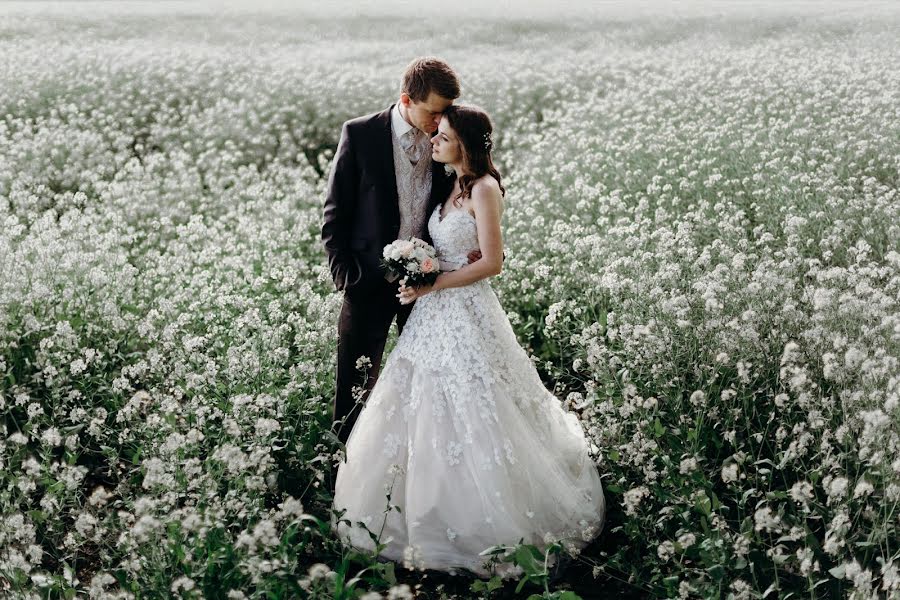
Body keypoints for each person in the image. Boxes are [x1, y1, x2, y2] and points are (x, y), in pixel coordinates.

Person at [330, 104, 606, 579]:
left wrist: (434, 282)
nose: (433, 139)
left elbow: (493, 262)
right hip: (434, 312)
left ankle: (486, 519)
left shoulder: (483, 188)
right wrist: (418, 270)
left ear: (466, 145)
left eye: (444, 135)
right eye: (435, 132)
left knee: (479, 399)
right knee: (417, 401)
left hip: (465, 308)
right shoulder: (449, 185)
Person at [321, 57, 482, 449]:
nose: (439, 123)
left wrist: (474, 245)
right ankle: (341, 483)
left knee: (430, 389)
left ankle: (417, 474)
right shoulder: (359, 134)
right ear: (406, 99)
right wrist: (348, 277)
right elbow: (333, 215)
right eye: (433, 113)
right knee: (354, 393)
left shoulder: (445, 139)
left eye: (445, 114)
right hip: (367, 284)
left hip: (430, 287)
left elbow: (473, 188)